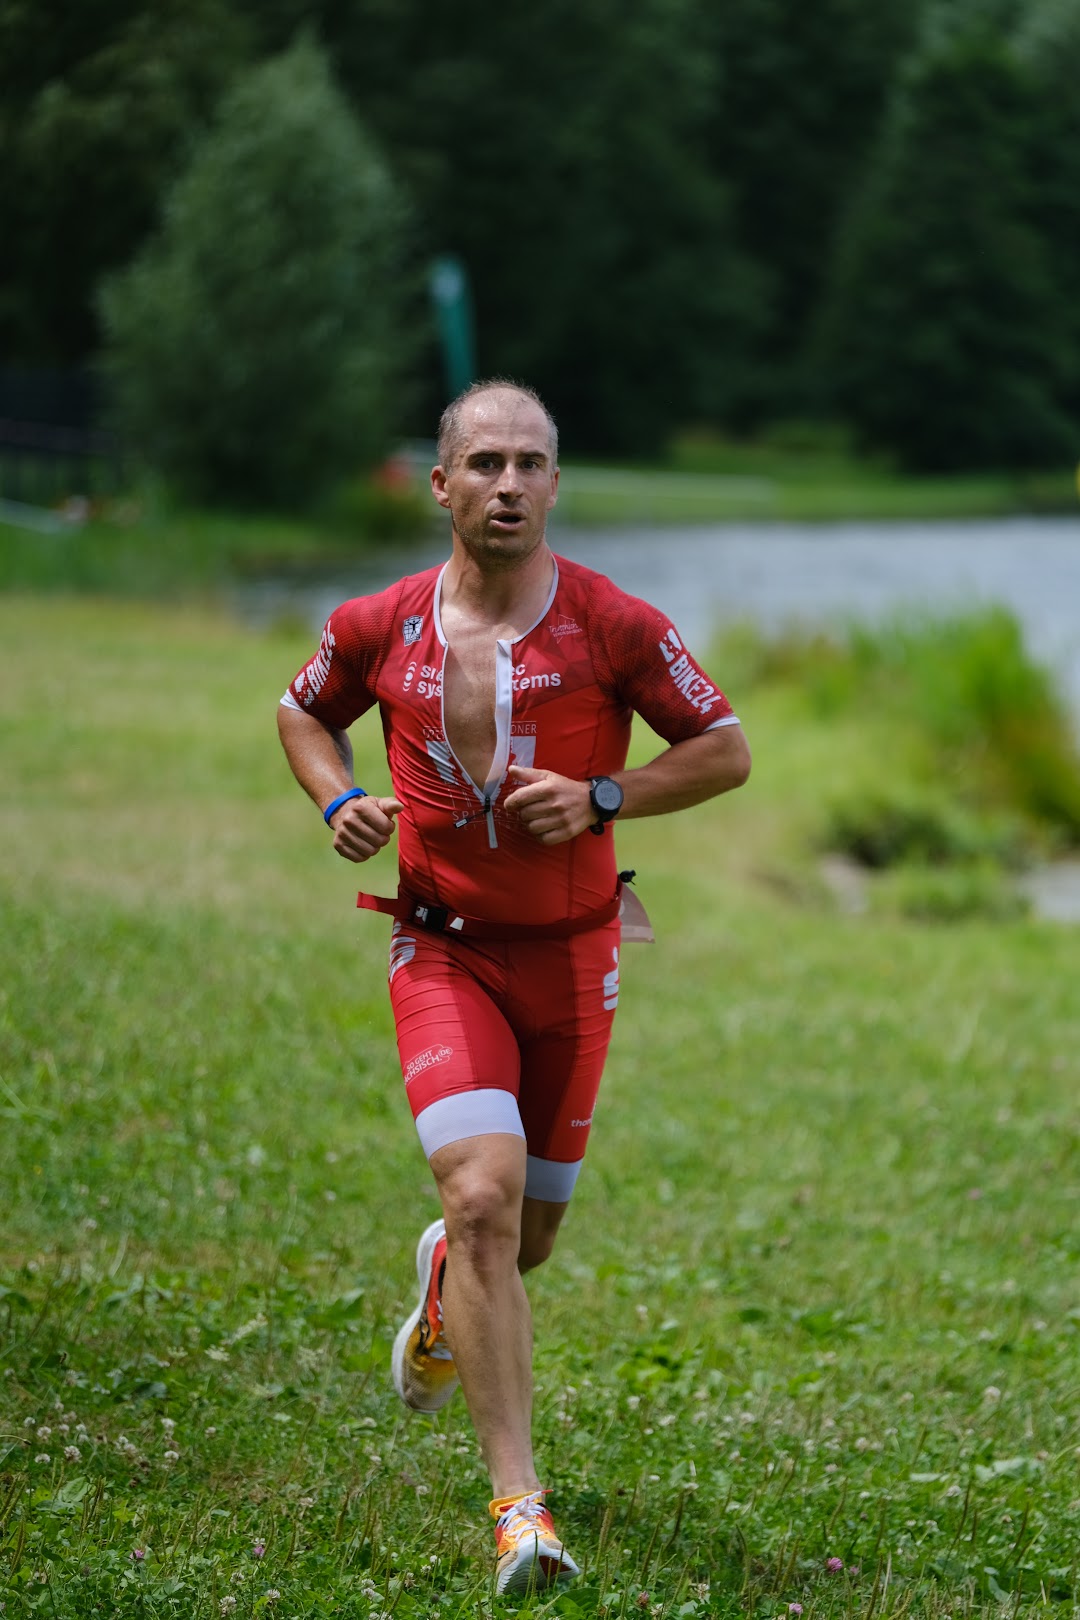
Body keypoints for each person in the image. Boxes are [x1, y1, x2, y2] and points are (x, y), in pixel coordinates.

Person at [277, 380, 750, 1593]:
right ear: (441, 484)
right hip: (441, 948)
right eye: (485, 463)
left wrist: (605, 796)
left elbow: (725, 750)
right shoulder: (379, 622)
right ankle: (520, 1513)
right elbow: (302, 712)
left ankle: (449, 1290)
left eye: (531, 464)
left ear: (554, 484)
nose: (508, 485)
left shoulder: (614, 625)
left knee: (523, 1242)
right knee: (481, 1196)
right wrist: (338, 798)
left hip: (576, 956)